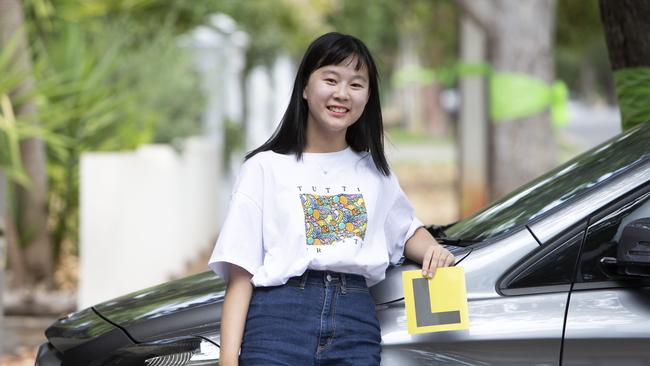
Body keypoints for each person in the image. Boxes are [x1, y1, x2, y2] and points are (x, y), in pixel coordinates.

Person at [209, 32, 454, 366]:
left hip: (355, 323)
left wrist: (433, 251)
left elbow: (406, 229)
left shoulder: (375, 173)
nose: (342, 93)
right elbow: (241, 274)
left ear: (368, 97)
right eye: (331, 79)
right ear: (305, 88)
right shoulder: (264, 168)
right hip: (278, 321)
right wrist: (227, 360)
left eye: (356, 84)